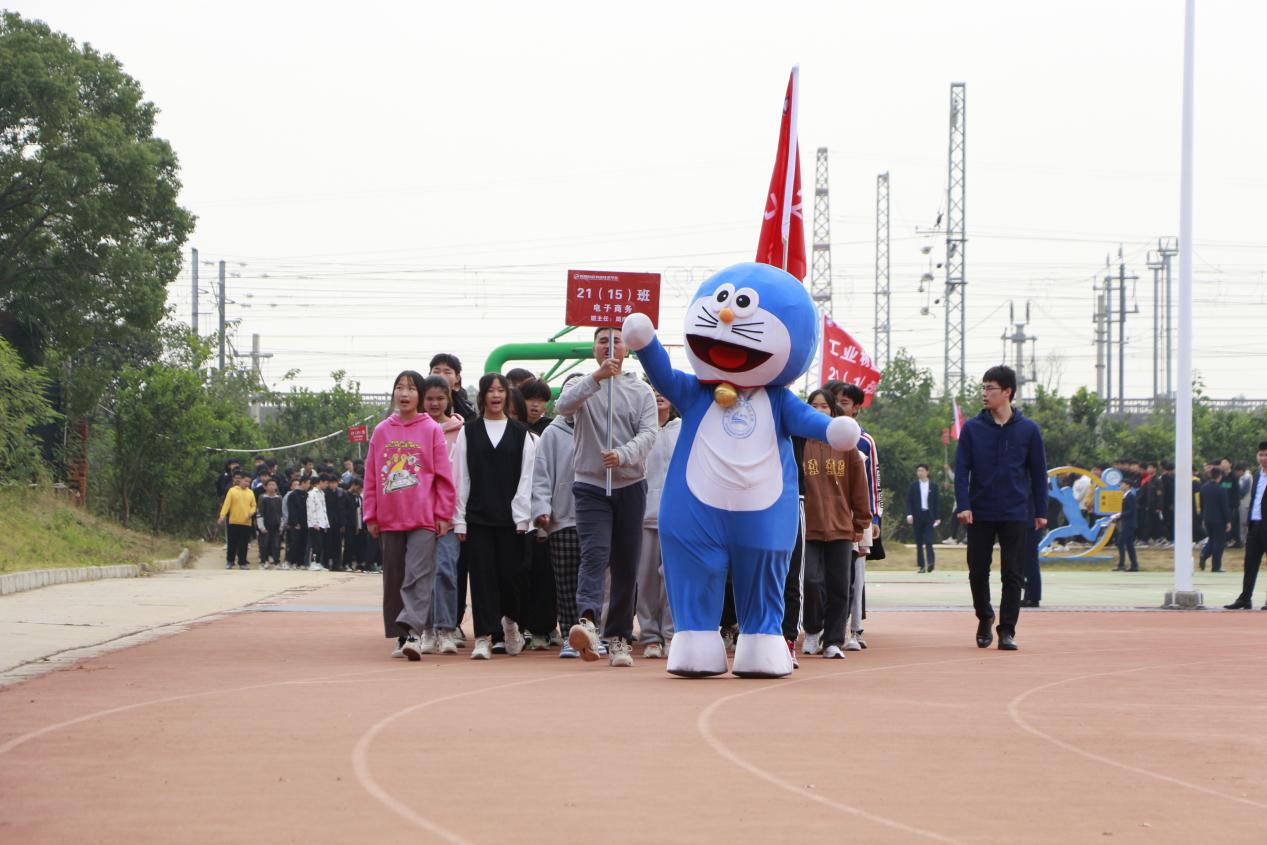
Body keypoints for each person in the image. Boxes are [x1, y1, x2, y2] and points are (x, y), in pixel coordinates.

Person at [554, 327, 658, 668]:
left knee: (627, 563)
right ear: (594, 348)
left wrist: (624, 455)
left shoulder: (640, 390)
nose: (610, 345)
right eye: (603, 340)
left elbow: (648, 432)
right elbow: (563, 407)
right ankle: (586, 622)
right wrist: (597, 377)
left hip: (630, 483)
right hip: (590, 485)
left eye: (616, 339)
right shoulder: (580, 385)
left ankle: (618, 638)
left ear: (627, 348)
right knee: (594, 553)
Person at [363, 369, 455, 662]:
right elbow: (371, 476)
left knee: (418, 575)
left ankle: (415, 633)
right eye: (399, 388)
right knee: (394, 577)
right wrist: (371, 514)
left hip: (422, 518)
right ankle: (401, 635)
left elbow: (443, 476)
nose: (404, 394)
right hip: (389, 517)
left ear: (419, 395)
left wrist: (443, 512)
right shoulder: (381, 431)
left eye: (410, 388)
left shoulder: (430, 430)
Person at [954, 365, 1048, 651]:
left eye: (990, 388)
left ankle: (1007, 629)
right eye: (983, 388)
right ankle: (984, 618)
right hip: (980, 511)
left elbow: (1038, 472)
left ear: (1007, 392)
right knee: (977, 571)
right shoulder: (972, 428)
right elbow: (961, 470)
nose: (985, 393)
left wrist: (1041, 511)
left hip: (1016, 511)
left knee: (1013, 573)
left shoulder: (1028, 430)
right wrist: (964, 505)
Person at [453, 373, 537, 660]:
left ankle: (511, 624)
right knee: (481, 578)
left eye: (501, 390)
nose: (496, 395)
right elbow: (460, 477)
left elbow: (527, 478)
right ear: (483, 396)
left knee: (511, 577)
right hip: (478, 518)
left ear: (508, 396)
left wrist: (523, 517)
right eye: (490, 391)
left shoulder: (521, 433)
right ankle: (483, 636)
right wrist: (460, 518)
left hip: (512, 520)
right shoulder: (469, 432)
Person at [798, 389, 870, 660]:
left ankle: (833, 640)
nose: (819, 411)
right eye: (813, 406)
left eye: (824, 407)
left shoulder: (846, 445)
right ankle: (813, 630)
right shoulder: (800, 442)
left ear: (833, 411)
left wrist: (861, 520)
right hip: (809, 525)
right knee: (812, 581)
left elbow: (859, 486)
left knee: (841, 584)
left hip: (841, 525)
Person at [532, 374, 584, 659]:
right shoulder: (552, 433)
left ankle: (593, 631)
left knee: (594, 581)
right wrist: (542, 510)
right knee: (565, 582)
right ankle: (569, 634)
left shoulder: (600, 427)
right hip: (562, 519)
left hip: (595, 518)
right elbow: (541, 475)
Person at [420, 374, 464, 654]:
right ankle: (425, 629)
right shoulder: (415, 430)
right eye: (430, 399)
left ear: (449, 399)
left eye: (440, 398)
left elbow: (463, 477)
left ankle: (446, 629)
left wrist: (454, 516)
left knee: (446, 571)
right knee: (422, 575)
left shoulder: (462, 433)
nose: (435, 403)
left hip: (449, 517)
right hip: (419, 518)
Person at [636, 387, 681, 660]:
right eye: (652, 390)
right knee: (646, 580)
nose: (659, 394)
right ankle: (650, 636)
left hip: (677, 516)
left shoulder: (684, 429)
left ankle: (672, 634)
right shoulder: (640, 432)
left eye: (663, 389)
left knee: (673, 579)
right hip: (644, 514)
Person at [833, 383, 877, 651]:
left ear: (857, 408)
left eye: (845, 403)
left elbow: (874, 482)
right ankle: (827, 627)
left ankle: (854, 629)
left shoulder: (864, 441)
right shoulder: (821, 436)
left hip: (859, 518)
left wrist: (874, 518)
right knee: (831, 575)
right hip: (829, 517)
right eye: (834, 401)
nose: (839, 407)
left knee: (855, 575)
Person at [1226, 443, 1267, 609]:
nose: (1263, 458)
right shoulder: (1257, 475)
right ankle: (1245, 598)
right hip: (1255, 524)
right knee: (1250, 563)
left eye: (1266, 454)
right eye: (1261, 454)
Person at [906, 463, 941, 573]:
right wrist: (909, 514)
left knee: (929, 540)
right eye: (918, 471)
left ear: (927, 472)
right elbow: (909, 502)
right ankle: (921, 566)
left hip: (929, 516)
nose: (919, 473)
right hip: (917, 516)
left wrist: (938, 517)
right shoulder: (913, 486)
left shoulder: (933, 486)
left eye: (922, 470)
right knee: (919, 542)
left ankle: (930, 563)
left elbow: (937, 503)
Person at [218, 471, 257, 569]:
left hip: (246, 523)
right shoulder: (232, 491)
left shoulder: (251, 492)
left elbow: (254, 506)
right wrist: (222, 516)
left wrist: (252, 512)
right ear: (240, 480)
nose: (247, 483)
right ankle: (230, 561)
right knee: (232, 543)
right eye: (245, 481)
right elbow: (226, 504)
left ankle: (242, 562)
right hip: (234, 521)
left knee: (244, 544)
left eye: (249, 482)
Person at [1198, 467, 1232, 573]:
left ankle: (1204, 554)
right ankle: (1216, 566)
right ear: (1220, 476)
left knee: (1212, 539)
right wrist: (1228, 521)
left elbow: (1202, 505)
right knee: (1219, 542)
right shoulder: (1221, 489)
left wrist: (1203, 518)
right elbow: (1224, 507)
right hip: (1219, 519)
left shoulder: (1203, 488)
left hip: (1207, 518)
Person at [430, 352, 478, 423]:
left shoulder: (468, 410)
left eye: (447, 372)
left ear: (457, 378)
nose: (441, 376)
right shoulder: (417, 405)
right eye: (436, 371)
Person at [1113, 473, 1139, 572]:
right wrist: (1118, 517)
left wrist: (1120, 515)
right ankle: (1134, 565)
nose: (1120, 486)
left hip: (1129, 523)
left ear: (1127, 485)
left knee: (1120, 543)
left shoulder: (1130, 496)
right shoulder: (1125, 496)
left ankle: (1121, 564)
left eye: (1122, 484)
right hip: (1127, 523)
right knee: (1129, 545)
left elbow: (1131, 510)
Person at [283, 476, 310, 570]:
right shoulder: (293, 495)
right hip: (295, 524)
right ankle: (289, 561)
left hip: (305, 523)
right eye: (308, 483)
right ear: (303, 483)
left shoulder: (307, 495)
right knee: (294, 543)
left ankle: (299, 563)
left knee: (303, 543)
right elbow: (292, 510)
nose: (309, 485)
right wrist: (295, 523)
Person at [255, 478, 284, 568]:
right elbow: (259, 513)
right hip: (265, 525)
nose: (272, 487)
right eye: (270, 485)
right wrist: (261, 527)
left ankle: (276, 562)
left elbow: (281, 513)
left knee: (276, 545)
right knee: (264, 544)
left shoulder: (279, 498)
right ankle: (264, 561)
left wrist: (281, 525)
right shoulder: (262, 498)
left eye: (273, 485)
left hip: (276, 525)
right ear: (265, 487)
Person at [306, 473, 330, 571]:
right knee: (316, 545)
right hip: (314, 524)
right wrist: (314, 523)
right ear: (320, 482)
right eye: (326, 483)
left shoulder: (322, 493)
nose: (327, 485)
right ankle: (313, 562)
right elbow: (310, 510)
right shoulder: (312, 494)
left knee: (321, 545)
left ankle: (318, 562)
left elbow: (323, 510)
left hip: (322, 523)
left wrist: (326, 523)